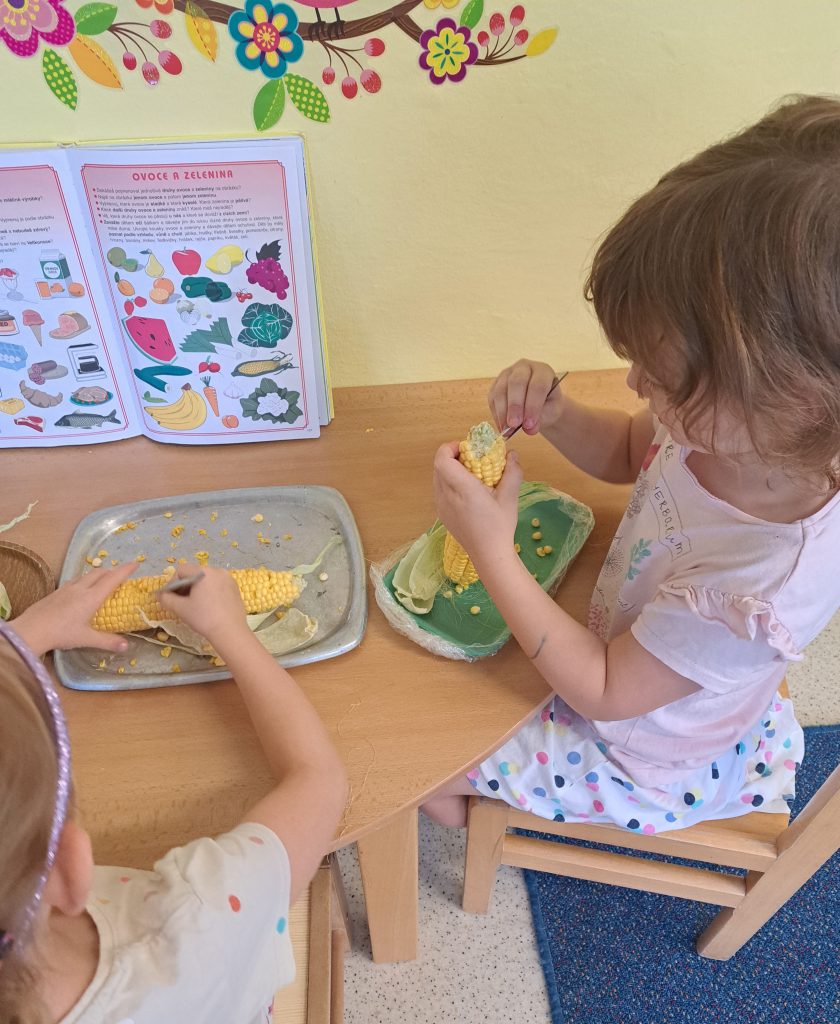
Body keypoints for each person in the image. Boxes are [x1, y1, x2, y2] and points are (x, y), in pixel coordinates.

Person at [423, 94, 840, 833]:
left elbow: (605, 689)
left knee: (415, 764)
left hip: (637, 749)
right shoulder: (732, 426)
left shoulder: (753, 588)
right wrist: (556, 414)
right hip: (643, 660)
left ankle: (476, 816)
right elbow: (624, 450)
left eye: (661, 375)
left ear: (795, 399)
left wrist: (491, 552)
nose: (634, 383)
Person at [0, 562, 347, 1023]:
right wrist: (229, 630)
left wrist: (26, 636)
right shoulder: (196, 924)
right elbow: (319, 780)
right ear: (68, 867)